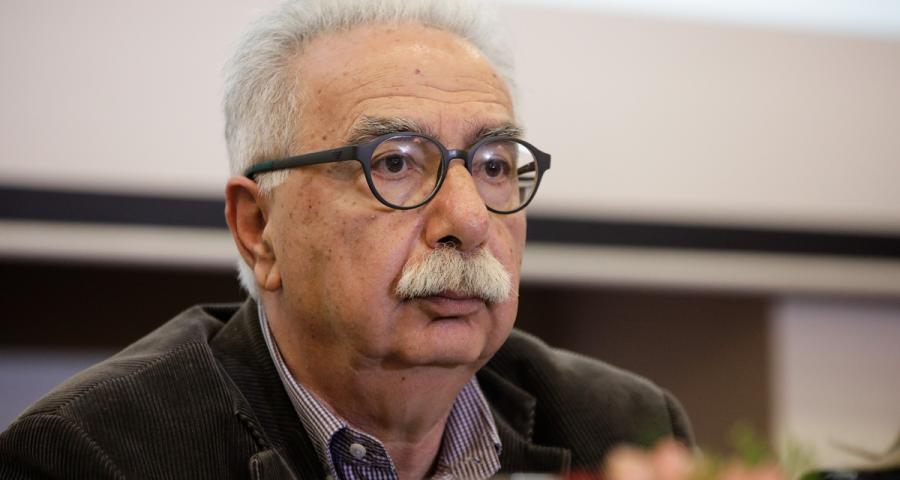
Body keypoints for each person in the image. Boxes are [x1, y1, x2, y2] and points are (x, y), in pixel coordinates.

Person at [0, 0, 693, 478]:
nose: (470, 219)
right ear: (259, 229)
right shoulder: (90, 456)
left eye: (492, 166)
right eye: (394, 163)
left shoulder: (619, 427)